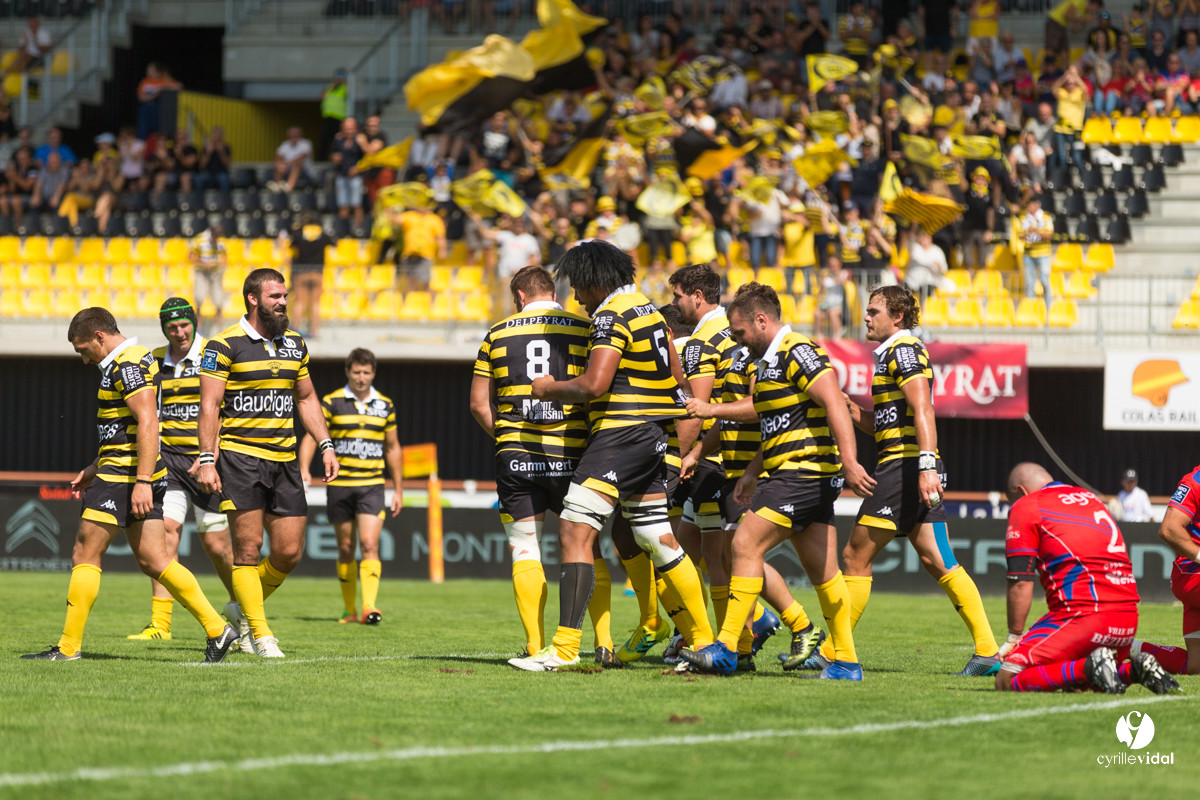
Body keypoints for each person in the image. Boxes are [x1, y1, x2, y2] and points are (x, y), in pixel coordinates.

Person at [509, 240, 714, 671]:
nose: (578, 299)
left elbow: (595, 385)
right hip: (652, 437)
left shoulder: (610, 315)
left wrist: (548, 388)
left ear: (594, 281)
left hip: (621, 434)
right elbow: (677, 376)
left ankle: (563, 648)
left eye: (579, 288)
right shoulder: (649, 310)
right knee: (658, 538)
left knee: (573, 530)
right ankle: (706, 642)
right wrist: (668, 436)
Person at [801, 286, 1002, 675]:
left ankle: (835, 653)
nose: (866, 317)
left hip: (904, 469)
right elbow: (885, 425)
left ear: (898, 318)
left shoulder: (903, 351)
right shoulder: (893, 354)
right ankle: (988, 650)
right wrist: (848, 407)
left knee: (854, 557)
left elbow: (923, 405)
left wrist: (926, 466)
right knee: (938, 559)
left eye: (874, 311)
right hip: (909, 466)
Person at [681, 283, 875, 678]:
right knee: (824, 573)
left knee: (744, 543)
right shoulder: (769, 362)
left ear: (762, 320)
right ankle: (847, 662)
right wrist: (753, 471)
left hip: (800, 473)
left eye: (739, 333)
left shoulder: (797, 351)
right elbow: (773, 419)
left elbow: (835, 401)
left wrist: (851, 462)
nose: (738, 340)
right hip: (795, 473)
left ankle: (728, 648)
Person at [21, 308, 237, 662]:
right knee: (156, 560)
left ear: (99, 337)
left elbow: (148, 421)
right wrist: (95, 465)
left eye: (83, 350)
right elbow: (125, 429)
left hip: (124, 477)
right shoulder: (134, 361)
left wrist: (140, 482)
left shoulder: (128, 364)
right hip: (126, 472)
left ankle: (68, 648)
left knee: (84, 553)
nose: (84, 359)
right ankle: (217, 628)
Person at [673, 265, 819, 671]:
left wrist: (708, 414)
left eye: (738, 329)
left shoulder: (761, 355)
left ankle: (788, 627)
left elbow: (759, 408)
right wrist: (699, 450)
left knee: (740, 552)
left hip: (760, 470)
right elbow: (726, 419)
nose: (735, 335)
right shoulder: (740, 351)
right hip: (733, 468)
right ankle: (738, 639)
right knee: (707, 550)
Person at [195, 268, 339, 658]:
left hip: (286, 460)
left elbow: (307, 399)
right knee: (247, 549)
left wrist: (325, 443)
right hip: (241, 459)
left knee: (290, 552)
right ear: (253, 299)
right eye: (275, 296)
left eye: (284, 295)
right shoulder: (223, 344)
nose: (283, 302)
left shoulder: (295, 343)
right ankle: (260, 635)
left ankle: (240, 608)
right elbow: (209, 406)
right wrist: (207, 458)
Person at [469, 266, 591, 658]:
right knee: (589, 549)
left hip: (518, 456)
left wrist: (506, 436)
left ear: (520, 295)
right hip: (575, 455)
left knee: (525, 549)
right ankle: (603, 643)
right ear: (551, 291)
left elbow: (477, 404)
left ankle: (535, 646)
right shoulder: (584, 327)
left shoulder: (498, 332)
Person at [993, 462, 1179, 694]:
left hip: (1084, 618)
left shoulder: (1027, 505)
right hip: (1128, 620)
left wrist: (1014, 636)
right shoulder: (1090, 498)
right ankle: (1131, 671)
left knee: (1006, 679)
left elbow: (1020, 581)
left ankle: (1090, 668)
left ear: (1020, 492)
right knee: (1078, 683)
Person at [126, 299, 244, 647]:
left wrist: (212, 452)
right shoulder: (154, 360)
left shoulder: (212, 354)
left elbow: (225, 405)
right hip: (170, 462)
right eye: (172, 328)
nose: (179, 333)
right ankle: (160, 623)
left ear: (194, 323)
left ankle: (242, 610)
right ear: (164, 329)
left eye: (184, 326)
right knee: (167, 534)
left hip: (207, 462)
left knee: (217, 544)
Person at [300, 348, 402, 625]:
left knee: (369, 543)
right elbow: (311, 437)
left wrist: (399, 490)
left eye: (366, 372)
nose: (361, 377)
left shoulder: (386, 405)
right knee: (346, 547)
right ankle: (349, 609)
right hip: (340, 485)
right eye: (356, 372)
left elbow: (392, 448)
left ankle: (369, 606)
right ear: (347, 372)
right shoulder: (332, 402)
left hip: (372, 485)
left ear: (373, 373)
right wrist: (304, 469)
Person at [1132, 464, 1200, 676]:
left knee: (1195, 666)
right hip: (1193, 575)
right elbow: (1169, 528)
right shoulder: (1195, 481)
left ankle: (1126, 646)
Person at [279, 213, 335, 339]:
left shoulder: (300, 234)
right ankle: (314, 332)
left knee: (300, 302)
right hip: (317, 272)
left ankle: (295, 331)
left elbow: (291, 245)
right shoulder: (323, 235)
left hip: (301, 271)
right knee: (316, 303)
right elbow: (335, 244)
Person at [394, 201, 446, 293]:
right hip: (409, 254)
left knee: (426, 282)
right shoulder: (410, 215)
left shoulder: (434, 219)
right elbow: (396, 220)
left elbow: (440, 237)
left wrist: (442, 250)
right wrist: (389, 208)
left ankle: (430, 304)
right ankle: (411, 303)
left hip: (426, 255)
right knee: (410, 282)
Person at [188, 220, 227, 332]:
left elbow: (225, 255)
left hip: (216, 274)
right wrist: (203, 263)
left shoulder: (221, 241)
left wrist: (222, 265)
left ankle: (220, 328)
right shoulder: (199, 239)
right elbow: (190, 256)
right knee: (199, 299)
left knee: (219, 301)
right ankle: (198, 328)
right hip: (202, 273)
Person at [1018, 190, 1054, 303]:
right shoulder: (1024, 218)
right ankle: (1031, 311)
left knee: (1044, 281)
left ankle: (1049, 307)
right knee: (1030, 283)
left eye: (1030, 204)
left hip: (1043, 253)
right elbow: (1019, 235)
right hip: (1028, 253)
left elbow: (1048, 235)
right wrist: (1028, 232)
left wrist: (1036, 231)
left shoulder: (1045, 217)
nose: (1028, 207)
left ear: (1037, 205)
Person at [330, 117, 365, 230]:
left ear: (356, 128)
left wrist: (358, 168)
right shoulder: (338, 140)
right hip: (342, 175)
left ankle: (357, 229)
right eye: (347, 128)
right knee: (343, 204)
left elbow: (368, 157)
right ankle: (342, 229)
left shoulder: (360, 140)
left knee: (356, 204)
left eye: (351, 128)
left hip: (356, 177)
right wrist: (335, 158)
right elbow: (332, 154)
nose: (349, 131)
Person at [273, 127, 314, 193]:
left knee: (297, 165)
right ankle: (277, 186)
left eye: (296, 135)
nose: (294, 137)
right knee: (279, 165)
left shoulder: (306, 144)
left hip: (305, 173)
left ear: (300, 135)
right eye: (292, 136)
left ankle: (289, 187)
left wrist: (286, 163)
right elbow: (278, 156)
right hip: (288, 171)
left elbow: (301, 157)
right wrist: (281, 164)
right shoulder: (285, 144)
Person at [319, 69, 349, 159]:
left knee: (337, 139)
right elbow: (320, 97)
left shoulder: (344, 88)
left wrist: (343, 82)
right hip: (328, 117)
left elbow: (350, 92)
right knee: (324, 138)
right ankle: (321, 158)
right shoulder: (329, 87)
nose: (337, 80)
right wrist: (331, 87)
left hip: (338, 118)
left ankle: (338, 157)